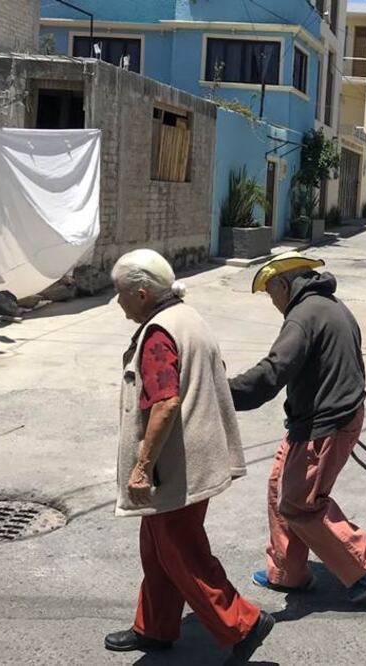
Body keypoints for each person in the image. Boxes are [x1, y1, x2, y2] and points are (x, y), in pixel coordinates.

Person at [104, 249, 273, 663]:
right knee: (157, 547)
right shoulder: (186, 316)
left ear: (142, 294)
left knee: (182, 551)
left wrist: (142, 467)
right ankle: (156, 627)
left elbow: (165, 403)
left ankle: (243, 623)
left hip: (175, 466)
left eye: (120, 292)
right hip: (193, 457)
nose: (117, 301)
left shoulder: (159, 334)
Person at [228, 251, 366, 603]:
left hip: (327, 423)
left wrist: (222, 392)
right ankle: (288, 572)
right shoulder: (328, 305)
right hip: (320, 419)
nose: (273, 302)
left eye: (271, 294)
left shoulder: (303, 316)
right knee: (279, 486)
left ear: (282, 284)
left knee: (299, 504)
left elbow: (273, 372)